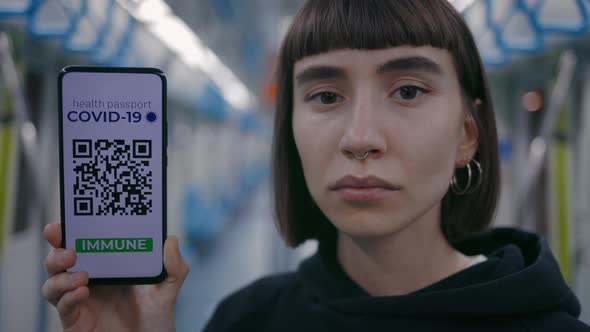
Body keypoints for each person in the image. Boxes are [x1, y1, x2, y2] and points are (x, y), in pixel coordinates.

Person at [42, 0, 590, 331]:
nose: (360, 139)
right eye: (326, 97)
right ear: (292, 131)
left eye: (407, 89)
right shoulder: (244, 322)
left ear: (467, 134)